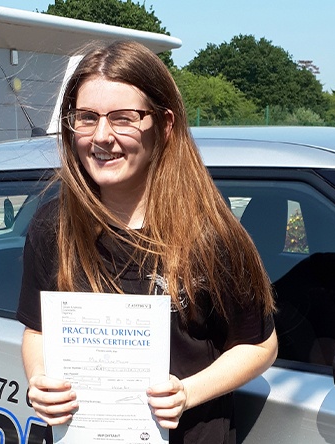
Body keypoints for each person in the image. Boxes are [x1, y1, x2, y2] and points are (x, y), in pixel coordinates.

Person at [17, 40, 277, 443]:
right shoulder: (54, 226)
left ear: (164, 124)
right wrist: (38, 380)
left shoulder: (210, 235)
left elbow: (260, 346)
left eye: (123, 118)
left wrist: (188, 393)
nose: (101, 137)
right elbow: (37, 331)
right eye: (86, 118)